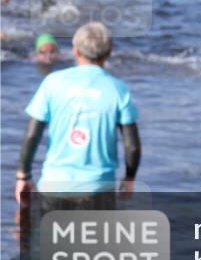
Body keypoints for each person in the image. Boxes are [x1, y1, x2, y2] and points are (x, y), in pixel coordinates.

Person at [15, 22, 140, 212]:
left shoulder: (53, 82)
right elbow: (132, 145)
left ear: (76, 50)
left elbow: (32, 135)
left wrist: (23, 176)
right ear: (109, 53)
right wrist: (129, 178)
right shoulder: (118, 89)